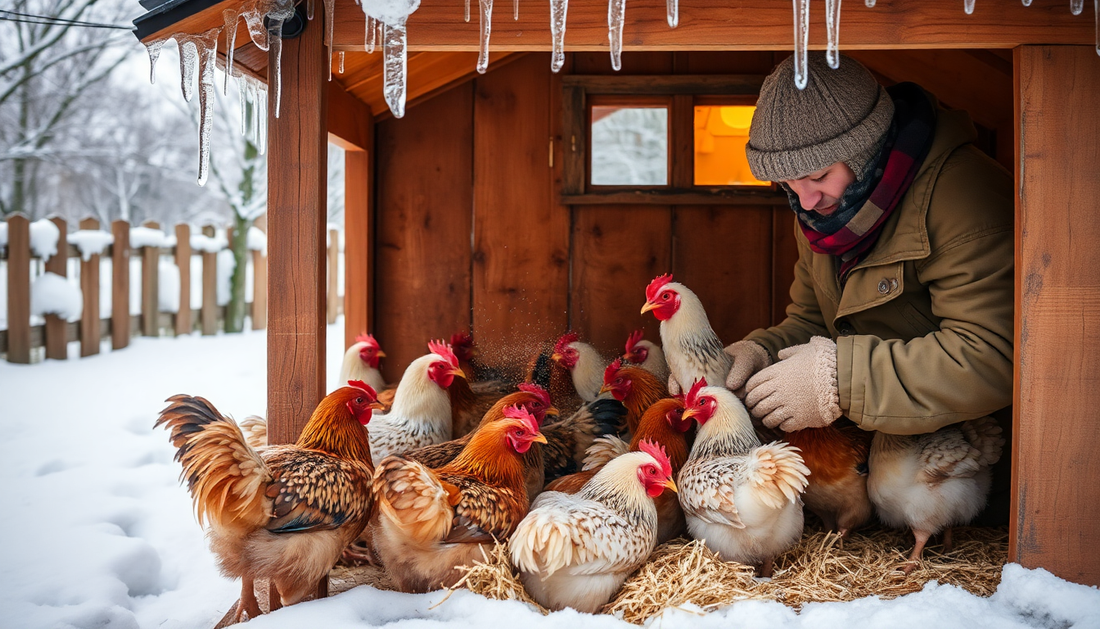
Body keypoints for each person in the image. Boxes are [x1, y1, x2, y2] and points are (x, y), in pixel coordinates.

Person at [725, 53, 1013, 450]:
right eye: (789, 184)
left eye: (818, 176)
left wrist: (842, 381)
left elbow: (994, 357)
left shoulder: (964, 198)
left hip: (975, 461)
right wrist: (762, 352)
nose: (804, 201)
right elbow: (816, 322)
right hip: (881, 454)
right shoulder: (824, 213)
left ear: (865, 151)